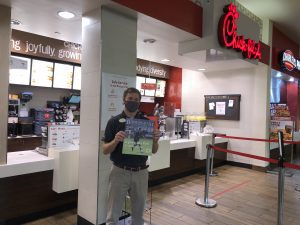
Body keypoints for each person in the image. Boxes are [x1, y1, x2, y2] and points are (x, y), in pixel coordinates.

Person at [102, 87, 160, 225]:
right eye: (130, 99)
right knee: (112, 215)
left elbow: (154, 150)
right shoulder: (114, 122)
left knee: (139, 216)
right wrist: (115, 140)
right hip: (119, 172)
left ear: (139, 102)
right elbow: (104, 150)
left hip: (141, 172)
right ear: (124, 100)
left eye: (136, 99)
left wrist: (155, 140)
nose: (133, 102)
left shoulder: (146, 122)